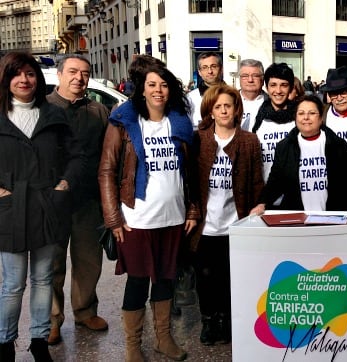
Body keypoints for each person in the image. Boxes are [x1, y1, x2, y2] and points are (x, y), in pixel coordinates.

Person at [98, 55, 199, 361]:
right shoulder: (125, 122)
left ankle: (163, 339)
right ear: (141, 89)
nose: (158, 90)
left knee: (166, 279)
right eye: (151, 84)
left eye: (164, 85)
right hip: (136, 219)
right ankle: (132, 346)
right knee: (138, 282)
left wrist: (192, 210)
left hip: (173, 217)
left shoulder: (179, 122)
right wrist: (113, 218)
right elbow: (107, 170)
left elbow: (190, 171)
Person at [0, 51, 83, 361]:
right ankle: (5, 342)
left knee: (44, 278)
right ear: (6, 79)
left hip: (48, 206)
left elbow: (77, 157)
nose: (24, 80)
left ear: (38, 78)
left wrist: (64, 184)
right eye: (16, 74)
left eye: (30, 73)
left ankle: (38, 340)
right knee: (12, 284)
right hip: (11, 210)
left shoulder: (53, 115)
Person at [190, 84, 264, 345]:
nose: (223, 111)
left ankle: (228, 320)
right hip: (206, 225)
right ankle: (208, 320)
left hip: (236, 223)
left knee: (230, 277)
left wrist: (259, 207)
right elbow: (189, 181)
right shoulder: (199, 140)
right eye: (218, 106)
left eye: (228, 106)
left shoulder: (249, 141)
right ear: (210, 111)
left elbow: (257, 182)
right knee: (206, 277)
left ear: (236, 110)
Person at [46, 54, 110, 346]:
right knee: (52, 263)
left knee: (88, 261)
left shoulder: (98, 111)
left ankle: (84, 310)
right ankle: (51, 320)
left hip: (88, 200)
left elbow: (108, 156)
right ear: (59, 75)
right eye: (72, 71)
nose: (79, 78)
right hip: (52, 202)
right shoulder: (42, 108)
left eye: (85, 73)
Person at [251, 95, 347, 214]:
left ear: (320, 118)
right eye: (301, 113)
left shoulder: (338, 145)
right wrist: (262, 203)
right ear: (295, 118)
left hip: (331, 218)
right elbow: (275, 181)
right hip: (298, 220)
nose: (306, 118)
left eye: (312, 113)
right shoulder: (284, 148)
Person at [251, 63, 297, 183]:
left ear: (291, 87)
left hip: (294, 194)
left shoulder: (300, 117)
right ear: (266, 87)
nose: (278, 91)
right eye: (273, 85)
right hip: (265, 194)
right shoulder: (257, 118)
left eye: (284, 85)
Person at [187, 52, 224, 130]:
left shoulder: (233, 95)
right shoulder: (190, 98)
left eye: (213, 66)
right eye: (205, 67)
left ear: (221, 69)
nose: (210, 71)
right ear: (199, 72)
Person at [238, 59, 268, 131]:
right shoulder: (229, 100)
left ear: (262, 79)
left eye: (255, 76)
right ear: (239, 79)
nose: (250, 80)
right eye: (245, 76)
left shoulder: (273, 102)